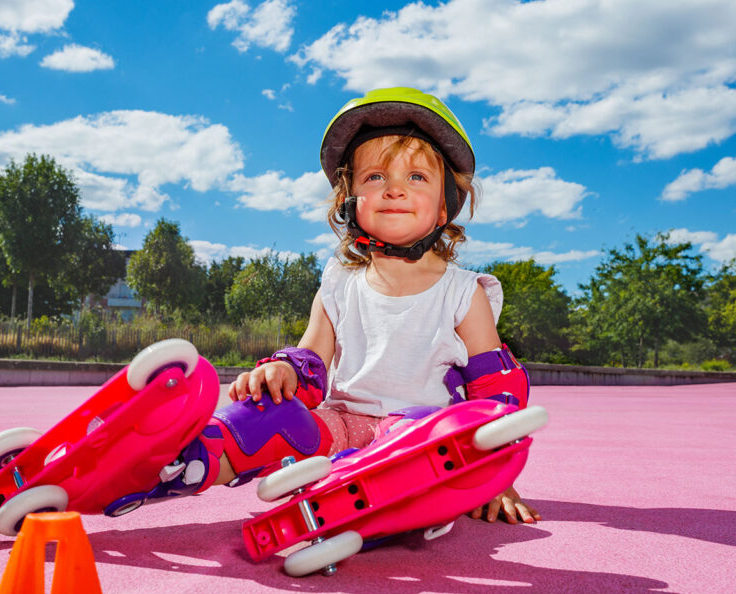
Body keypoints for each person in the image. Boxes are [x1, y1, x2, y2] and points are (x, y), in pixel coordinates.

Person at [165, 87, 540, 525]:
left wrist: (497, 475)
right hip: (341, 428)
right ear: (350, 201)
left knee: (423, 434)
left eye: (416, 177)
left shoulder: (463, 292)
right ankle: (179, 464)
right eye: (375, 177)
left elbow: (495, 392)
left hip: (420, 438)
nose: (395, 189)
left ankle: (358, 489)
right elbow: (310, 364)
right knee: (266, 416)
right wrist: (283, 373)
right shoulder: (338, 284)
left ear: (444, 208)